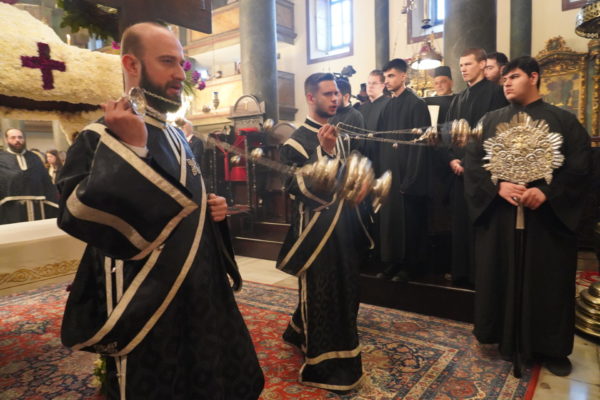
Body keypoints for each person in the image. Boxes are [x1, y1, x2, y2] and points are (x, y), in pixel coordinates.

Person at [57, 22, 264, 399]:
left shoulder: (175, 136)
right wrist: (134, 151)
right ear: (131, 65)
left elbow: (180, 202)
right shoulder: (100, 135)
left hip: (200, 285)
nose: (180, 74)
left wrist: (209, 210)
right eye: (168, 62)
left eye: (181, 64)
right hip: (147, 294)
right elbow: (75, 211)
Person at [464, 56, 591, 376]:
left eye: (514, 77)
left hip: (546, 219)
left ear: (534, 77)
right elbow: (474, 164)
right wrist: (497, 186)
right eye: (504, 79)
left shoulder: (563, 121)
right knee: (502, 273)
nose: (506, 83)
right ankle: (504, 338)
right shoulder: (489, 121)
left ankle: (551, 347)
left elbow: (581, 168)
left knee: (547, 280)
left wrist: (549, 192)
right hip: (501, 215)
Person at [278, 72, 372, 392]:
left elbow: (346, 179)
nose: (335, 99)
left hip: (345, 229)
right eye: (328, 94)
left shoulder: (339, 134)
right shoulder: (295, 142)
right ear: (310, 97)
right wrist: (326, 154)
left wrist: (359, 185)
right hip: (316, 234)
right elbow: (296, 188)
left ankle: (299, 331)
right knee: (322, 296)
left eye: (337, 94)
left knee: (347, 292)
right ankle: (324, 365)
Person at [443, 48, 508, 286]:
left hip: (483, 173)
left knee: (481, 224)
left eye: (468, 64)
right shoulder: (458, 98)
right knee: (460, 224)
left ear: (482, 64)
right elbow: (447, 131)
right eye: (461, 65)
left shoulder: (496, 93)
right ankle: (461, 272)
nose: (463, 69)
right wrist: (451, 158)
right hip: (459, 171)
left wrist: (470, 163)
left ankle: (482, 275)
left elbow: (498, 134)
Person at [375, 58, 431, 282]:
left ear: (403, 76)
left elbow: (421, 144)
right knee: (391, 222)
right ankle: (393, 261)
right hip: (389, 175)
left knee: (410, 222)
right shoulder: (387, 106)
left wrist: (411, 178)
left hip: (408, 175)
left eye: (391, 76)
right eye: (385, 77)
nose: (387, 81)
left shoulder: (417, 104)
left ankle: (410, 266)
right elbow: (381, 141)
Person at [0, 128, 59, 224]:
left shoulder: (35, 157)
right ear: (7, 140)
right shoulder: (1, 159)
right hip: (11, 209)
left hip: (37, 207)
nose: (17, 140)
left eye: (20, 137)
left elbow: (46, 182)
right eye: (13, 138)